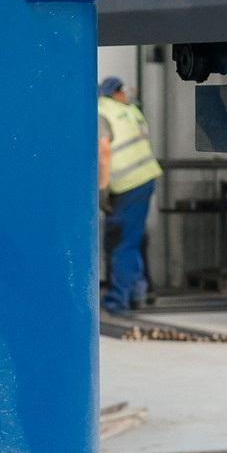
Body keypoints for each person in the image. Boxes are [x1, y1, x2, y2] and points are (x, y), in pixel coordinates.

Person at [97, 75, 161, 315]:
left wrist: (102, 188)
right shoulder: (130, 111)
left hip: (126, 185)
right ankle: (136, 292)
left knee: (120, 243)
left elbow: (104, 151)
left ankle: (117, 301)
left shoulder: (102, 112)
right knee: (132, 239)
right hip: (144, 179)